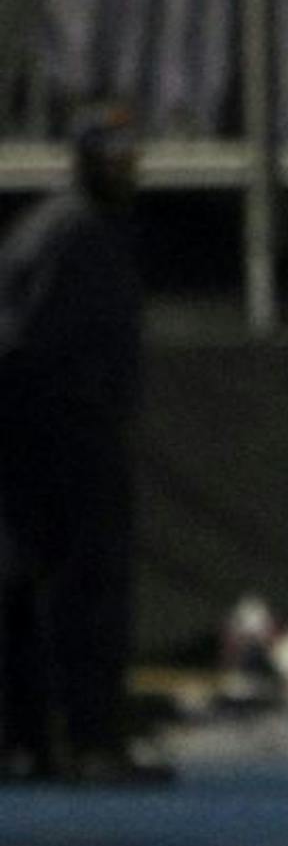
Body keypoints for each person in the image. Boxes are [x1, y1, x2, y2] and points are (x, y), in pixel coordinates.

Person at [0, 109, 163, 784]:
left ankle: (37, 737)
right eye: (113, 151)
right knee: (81, 588)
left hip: (57, 436)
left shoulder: (77, 229)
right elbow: (24, 344)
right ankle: (81, 737)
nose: (127, 164)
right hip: (58, 440)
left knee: (33, 587)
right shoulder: (71, 233)